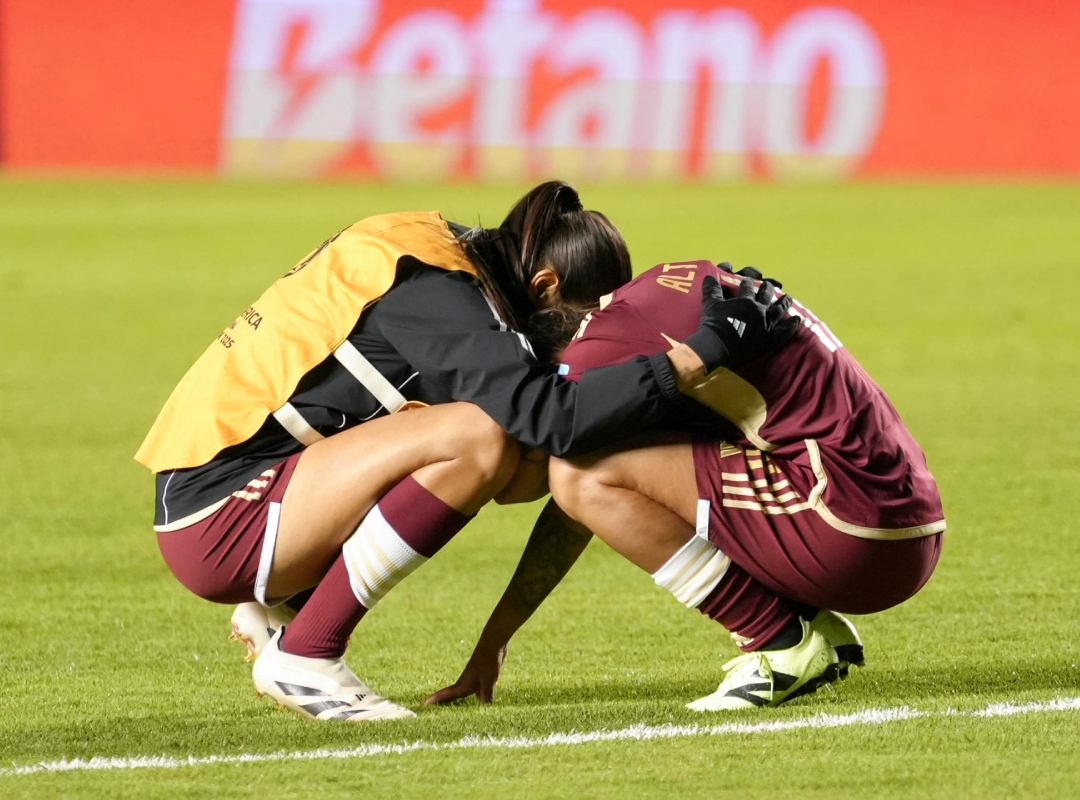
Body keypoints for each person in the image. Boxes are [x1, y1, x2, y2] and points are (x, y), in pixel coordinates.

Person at [136, 186, 796, 722]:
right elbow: (555, 420)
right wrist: (694, 358)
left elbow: (551, 447)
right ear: (543, 285)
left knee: (512, 455)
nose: (585, 341)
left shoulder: (441, 254)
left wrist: (495, 637)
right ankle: (306, 652)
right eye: (583, 320)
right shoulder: (439, 295)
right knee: (480, 438)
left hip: (247, 490)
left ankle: (286, 605)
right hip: (220, 516)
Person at [428, 259, 945, 711]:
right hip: (904, 519)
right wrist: (495, 641)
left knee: (578, 475)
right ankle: (810, 625)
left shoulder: (594, 358)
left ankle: (780, 642)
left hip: (851, 529)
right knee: (595, 471)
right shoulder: (670, 289)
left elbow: (575, 482)